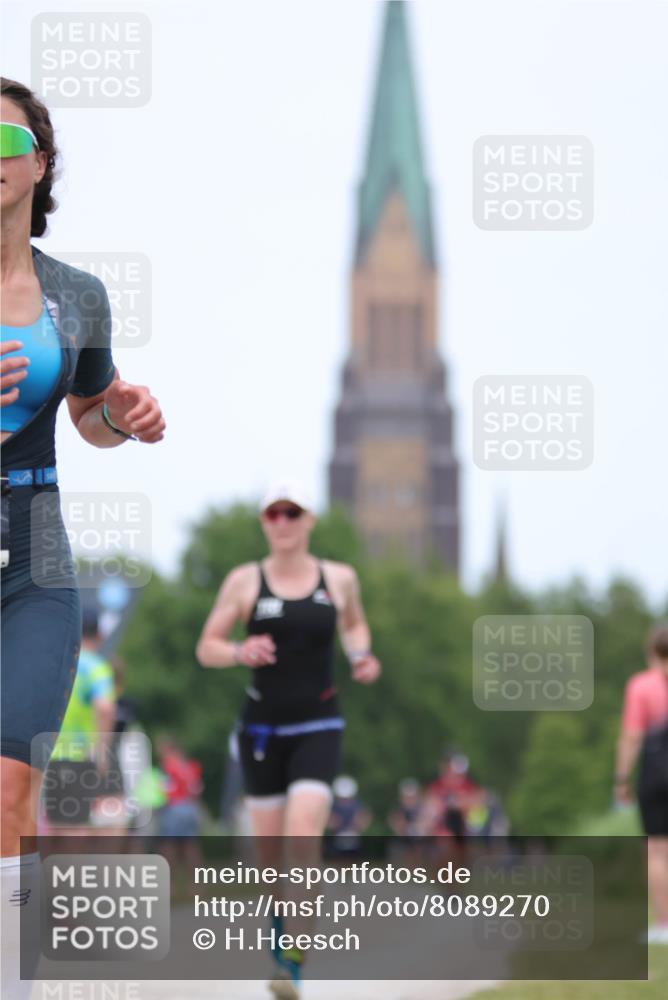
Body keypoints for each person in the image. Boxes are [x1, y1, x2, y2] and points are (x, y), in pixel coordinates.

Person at [0, 78, 165, 998]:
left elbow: (89, 417)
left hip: (34, 553)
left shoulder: (76, 295)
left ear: (39, 163)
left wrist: (122, 412)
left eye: (2, 136)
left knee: (10, 790)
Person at [196, 479, 381, 999]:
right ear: (264, 523)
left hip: (319, 724)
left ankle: (294, 964)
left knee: (304, 838)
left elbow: (355, 626)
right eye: (273, 514)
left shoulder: (338, 578)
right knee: (271, 860)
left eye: (291, 513)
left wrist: (361, 655)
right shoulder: (244, 581)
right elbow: (206, 647)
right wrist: (238, 651)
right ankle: (281, 953)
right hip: (260, 731)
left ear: (309, 521)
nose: (282, 522)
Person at [42, 607, 117, 835]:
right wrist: (102, 752)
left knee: (52, 826)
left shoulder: (56, 663)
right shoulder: (97, 667)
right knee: (75, 828)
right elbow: (105, 708)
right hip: (77, 755)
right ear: (100, 634)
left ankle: (49, 871)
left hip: (45, 752)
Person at [615, 624, 668, 944]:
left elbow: (632, 735)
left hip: (657, 775)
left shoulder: (642, 686)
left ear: (651, 652)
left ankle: (665, 924)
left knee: (658, 851)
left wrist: (621, 778)